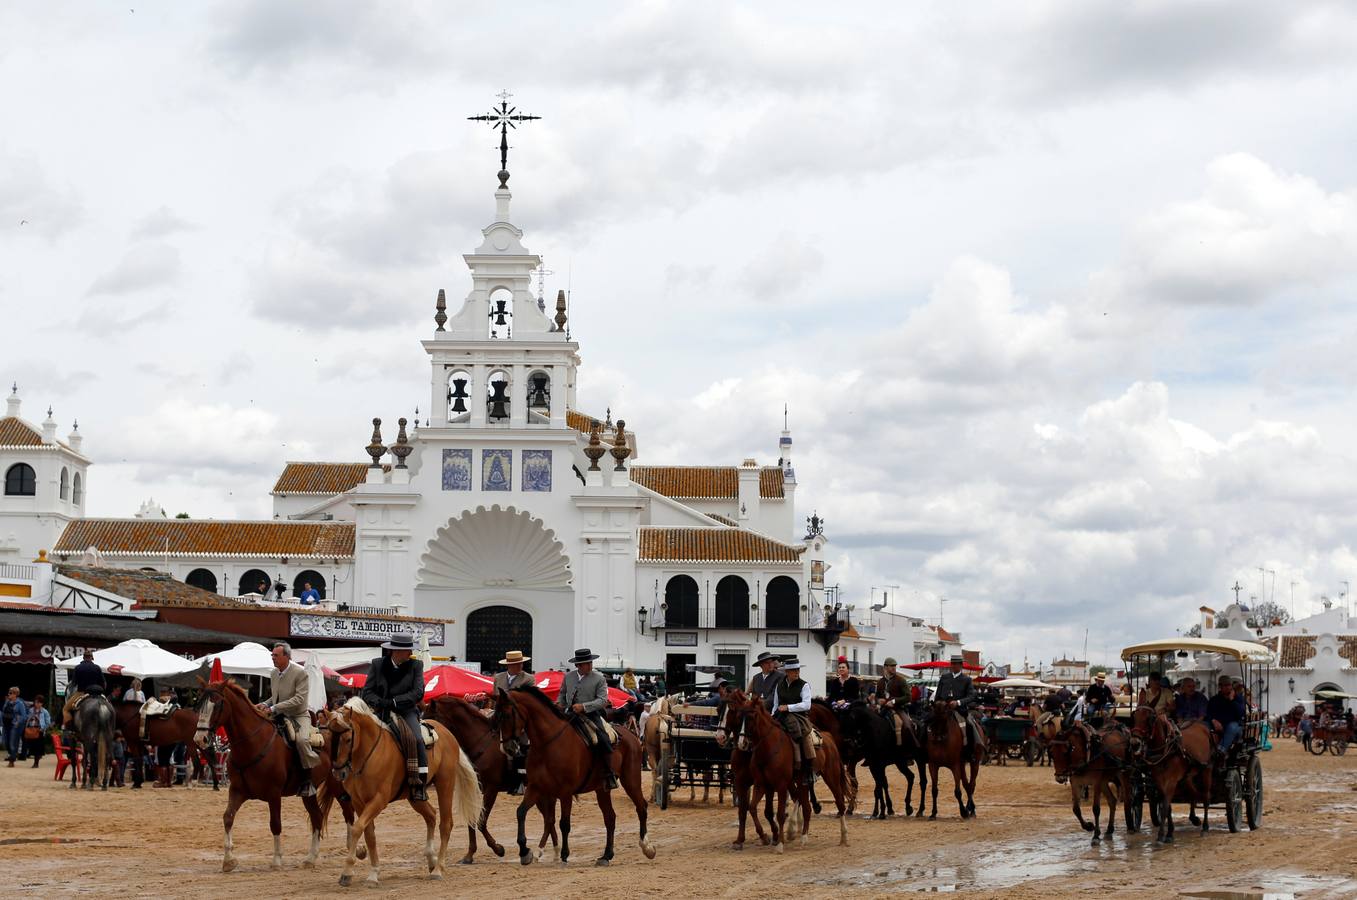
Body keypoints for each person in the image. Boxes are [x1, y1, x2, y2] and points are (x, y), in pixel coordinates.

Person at [361, 633, 429, 800]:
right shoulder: (377, 665)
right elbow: (367, 692)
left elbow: (418, 692)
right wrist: (380, 702)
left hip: (405, 711)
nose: (409, 653)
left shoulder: (416, 665)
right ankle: (352, 780)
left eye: (409, 651)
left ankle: (419, 782)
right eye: (407, 651)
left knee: (417, 739)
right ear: (396, 652)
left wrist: (394, 701)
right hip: (380, 710)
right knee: (356, 735)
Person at [255, 641, 319, 796]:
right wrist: (264, 703)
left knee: (302, 741)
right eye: (272, 655)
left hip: (298, 715)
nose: (273, 658)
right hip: (279, 714)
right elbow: (275, 696)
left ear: (287, 657)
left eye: (276, 655)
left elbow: (299, 699)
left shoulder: (301, 673)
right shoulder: (273, 673)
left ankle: (307, 780)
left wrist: (273, 707)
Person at [557, 648, 618, 790]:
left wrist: (584, 707)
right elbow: (562, 693)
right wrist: (560, 703)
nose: (590, 666)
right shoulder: (568, 677)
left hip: (591, 714)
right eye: (586, 663)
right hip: (569, 713)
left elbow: (603, 700)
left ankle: (609, 774)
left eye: (590, 663)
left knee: (603, 738)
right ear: (578, 665)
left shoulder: (599, 678)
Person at [772, 658, 816, 784]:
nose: (796, 672)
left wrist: (789, 707)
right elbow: (776, 704)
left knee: (801, 733)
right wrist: (771, 716)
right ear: (787, 672)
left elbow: (807, 705)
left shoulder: (804, 685)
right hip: (780, 715)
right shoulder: (779, 685)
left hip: (799, 716)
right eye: (793, 670)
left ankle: (808, 769)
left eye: (797, 669)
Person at [932, 655, 984, 750]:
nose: (953, 666)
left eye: (956, 664)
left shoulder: (967, 679)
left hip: (959, 710)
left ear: (961, 665)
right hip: (943, 709)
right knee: (926, 722)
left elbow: (972, 696)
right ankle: (922, 750)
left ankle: (972, 750)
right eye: (952, 664)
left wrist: (958, 702)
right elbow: (938, 695)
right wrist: (938, 703)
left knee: (970, 725)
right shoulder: (944, 677)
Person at [1207, 675, 1247, 763]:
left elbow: (1241, 714)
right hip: (1218, 725)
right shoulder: (1214, 700)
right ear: (1220, 687)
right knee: (1204, 724)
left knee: (1232, 726)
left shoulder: (1238, 698)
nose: (1227, 687)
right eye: (1224, 685)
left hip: (1235, 726)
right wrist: (1213, 720)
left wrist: (1232, 700)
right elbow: (1208, 713)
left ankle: (1221, 751)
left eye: (1228, 685)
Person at [63, 649, 106, 728]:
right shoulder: (97, 668)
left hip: (81, 693)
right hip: (97, 694)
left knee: (65, 710)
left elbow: (74, 684)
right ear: (91, 658)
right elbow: (104, 684)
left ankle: (68, 730)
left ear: (83, 657)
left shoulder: (78, 668)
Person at [875, 657, 910, 744]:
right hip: (883, 709)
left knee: (908, 727)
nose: (894, 667)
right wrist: (878, 700)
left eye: (895, 666)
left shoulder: (901, 680)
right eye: (891, 666)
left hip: (898, 709)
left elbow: (908, 697)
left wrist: (894, 701)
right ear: (885, 667)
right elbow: (877, 696)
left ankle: (911, 749)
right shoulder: (880, 682)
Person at [24, 695, 51, 768]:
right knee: (31, 746)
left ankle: (36, 763)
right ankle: (35, 758)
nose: (37, 704)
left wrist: (42, 729)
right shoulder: (31, 710)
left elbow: (48, 722)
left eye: (39, 702)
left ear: (42, 703)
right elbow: (27, 718)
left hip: (39, 731)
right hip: (31, 729)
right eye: (36, 702)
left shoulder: (44, 711)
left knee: (38, 747)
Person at [3, 687, 27, 766]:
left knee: (13, 743)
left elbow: (24, 716)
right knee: (5, 742)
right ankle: (12, 755)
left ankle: (12, 760)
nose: (8, 694)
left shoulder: (20, 703)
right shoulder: (7, 702)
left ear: (15, 694)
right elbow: (3, 711)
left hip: (14, 725)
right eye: (9, 692)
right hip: (6, 724)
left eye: (10, 693)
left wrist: (17, 723)